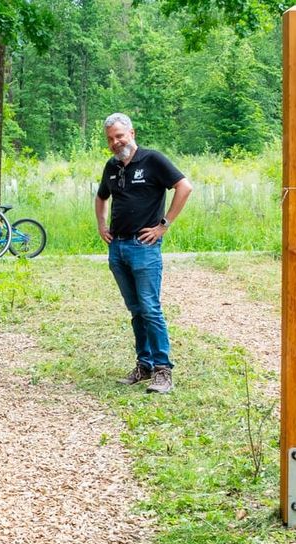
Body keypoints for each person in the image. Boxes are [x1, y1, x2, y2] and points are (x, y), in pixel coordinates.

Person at [94, 113, 193, 394]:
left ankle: (163, 370)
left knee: (150, 308)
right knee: (136, 310)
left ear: (132, 133)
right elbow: (101, 196)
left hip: (144, 248)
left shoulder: (152, 160)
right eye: (110, 139)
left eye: (119, 136)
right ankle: (144, 365)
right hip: (118, 248)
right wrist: (101, 225)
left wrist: (163, 225)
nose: (115, 142)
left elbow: (184, 187)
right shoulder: (112, 166)